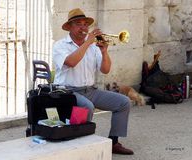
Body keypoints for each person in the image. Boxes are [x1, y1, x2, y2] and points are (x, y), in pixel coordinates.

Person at [52, 8, 134, 155]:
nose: (83, 27)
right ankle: (78, 144)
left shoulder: (93, 47)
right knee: (87, 106)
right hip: (67, 91)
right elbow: (71, 62)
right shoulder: (60, 45)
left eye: (85, 24)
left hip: (90, 90)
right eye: (78, 24)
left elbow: (105, 70)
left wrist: (104, 52)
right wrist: (88, 42)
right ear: (69, 27)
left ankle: (113, 142)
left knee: (123, 102)